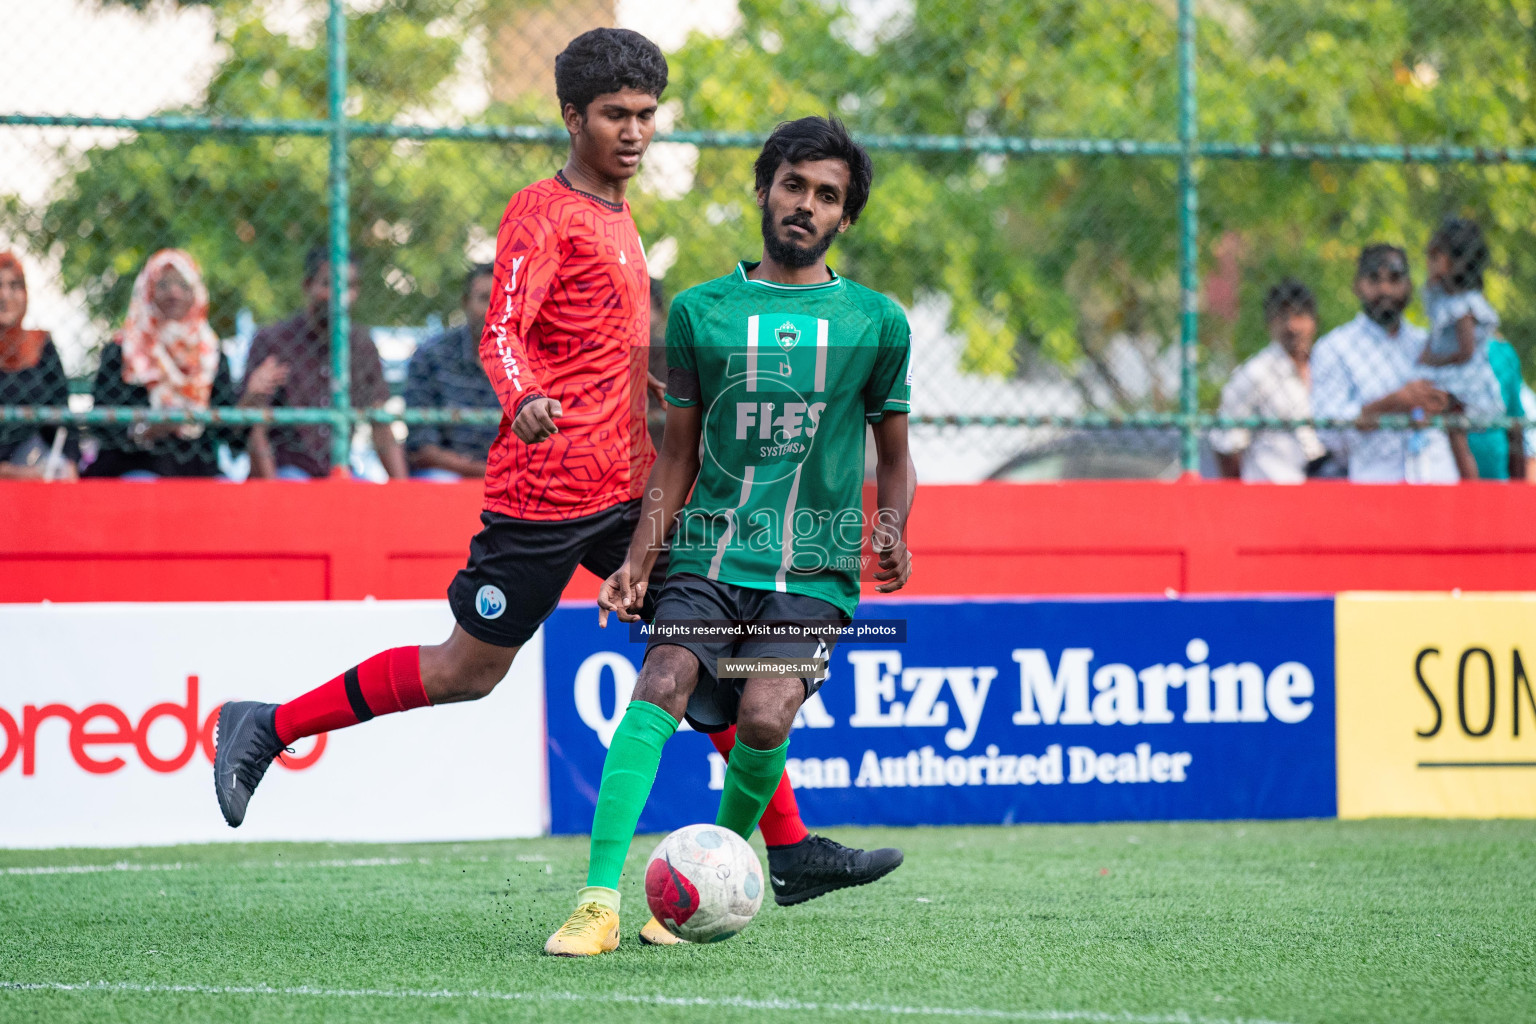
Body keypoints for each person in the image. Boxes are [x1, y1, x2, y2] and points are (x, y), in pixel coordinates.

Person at [212, 32, 897, 932]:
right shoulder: (542, 210)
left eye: (647, 115)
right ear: (573, 117)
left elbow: (597, 337)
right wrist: (524, 392)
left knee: (714, 664)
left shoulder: (621, 218)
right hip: (541, 500)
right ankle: (267, 725)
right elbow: (503, 328)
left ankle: (791, 845)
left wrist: (641, 380)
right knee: (465, 672)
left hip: (625, 494)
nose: (634, 132)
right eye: (616, 115)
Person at [545, 115, 915, 957]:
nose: (806, 206)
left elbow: (894, 455)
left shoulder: (877, 323)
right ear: (763, 188)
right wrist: (640, 559)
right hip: (706, 553)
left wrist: (892, 525)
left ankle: (711, 878)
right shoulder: (703, 312)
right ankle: (598, 900)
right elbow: (675, 453)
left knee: (763, 712)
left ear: (845, 218)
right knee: (664, 677)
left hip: (812, 571)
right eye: (794, 185)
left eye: (828, 196)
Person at [240, 246, 406, 480]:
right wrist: (273, 492)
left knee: (368, 500)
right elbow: (256, 429)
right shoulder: (274, 341)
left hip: (340, 471)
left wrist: (402, 490)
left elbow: (381, 425)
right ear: (308, 285)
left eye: (348, 286)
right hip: (287, 472)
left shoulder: (361, 344)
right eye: (329, 284)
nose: (340, 296)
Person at [84, 249, 248, 478]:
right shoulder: (123, 349)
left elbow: (230, 432)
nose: (174, 293)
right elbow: (102, 421)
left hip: (194, 466)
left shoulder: (209, 352)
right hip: (133, 462)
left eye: (183, 285)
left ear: (196, 293)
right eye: (163, 285)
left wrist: (253, 396)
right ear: (148, 290)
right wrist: (145, 430)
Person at [1310, 244, 1462, 483]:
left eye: (1394, 279)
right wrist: (1391, 404)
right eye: (1374, 279)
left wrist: (1444, 404)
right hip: (1376, 483)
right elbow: (1328, 433)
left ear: (1409, 286)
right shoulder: (1334, 348)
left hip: (1437, 479)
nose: (1384, 289)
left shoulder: (1427, 344)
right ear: (1357, 286)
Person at [1210, 278, 1328, 483]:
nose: (1292, 326)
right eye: (1282, 317)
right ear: (1269, 322)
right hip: (1269, 491)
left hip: (1324, 491)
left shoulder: (1327, 369)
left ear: (1314, 321)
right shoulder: (1254, 374)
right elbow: (1227, 446)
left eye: (1299, 315)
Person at [403, 263, 500, 480]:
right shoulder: (432, 355)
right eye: (485, 299)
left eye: (502, 301)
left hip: (511, 474)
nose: (493, 310)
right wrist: (485, 473)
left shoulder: (532, 357)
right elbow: (421, 448)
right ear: (465, 303)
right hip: (448, 473)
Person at [0, 251, 77, 480]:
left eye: (14, 286)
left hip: (36, 465)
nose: (5, 295)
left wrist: (68, 464)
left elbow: (63, 416)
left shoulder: (40, 346)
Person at [1466, 337, 1527, 481]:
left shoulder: (1502, 354)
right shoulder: (1434, 353)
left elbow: (1515, 421)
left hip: (1495, 474)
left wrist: (1519, 493)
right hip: (1445, 475)